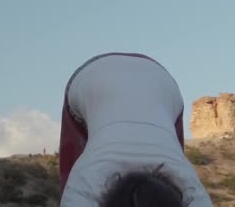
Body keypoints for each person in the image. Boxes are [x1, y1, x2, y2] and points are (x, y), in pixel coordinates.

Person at [58, 52, 213, 206]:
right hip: (93, 79)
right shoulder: (83, 183)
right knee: (71, 168)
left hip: (163, 84)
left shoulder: (192, 190)